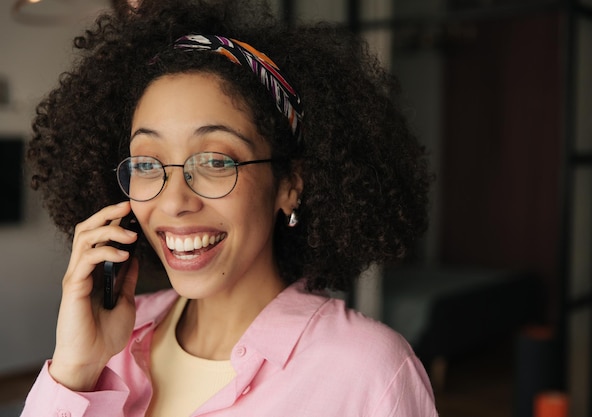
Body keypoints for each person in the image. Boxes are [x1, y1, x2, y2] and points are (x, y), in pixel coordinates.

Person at [20, 0, 437, 416]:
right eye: (147, 164)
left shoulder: (370, 373)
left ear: (290, 184)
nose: (174, 201)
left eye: (216, 161)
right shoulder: (110, 337)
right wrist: (77, 370)